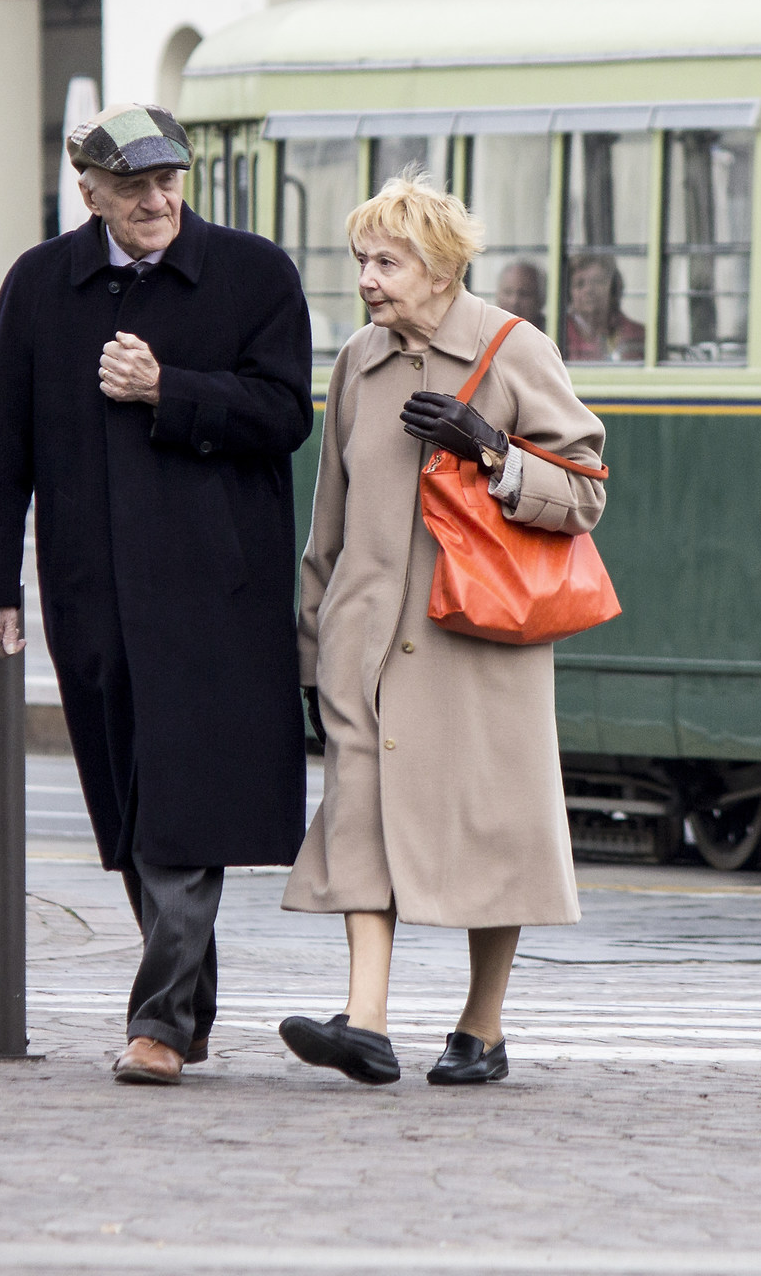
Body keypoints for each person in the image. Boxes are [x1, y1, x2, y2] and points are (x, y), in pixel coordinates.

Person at [0, 101, 315, 1087]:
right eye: (134, 186)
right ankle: (189, 1004)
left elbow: (287, 413)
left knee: (185, 808)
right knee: (128, 804)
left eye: (170, 181)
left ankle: (157, 1022)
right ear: (90, 193)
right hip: (93, 590)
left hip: (218, 589)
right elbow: (5, 448)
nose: (158, 200)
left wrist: (171, 390)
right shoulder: (39, 287)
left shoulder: (253, 274)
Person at [278, 167, 606, 1089]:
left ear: (440, 267)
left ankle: (482, 1027)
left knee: (490, 832)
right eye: (361, 261)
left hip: (477, 646)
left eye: (388, 260)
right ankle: (367, 1021)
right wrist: (313, 646)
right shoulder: (356, 360)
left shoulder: (515, 348)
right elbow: (327, 522)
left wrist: (491, 450)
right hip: (366, 643)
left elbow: (583, 493)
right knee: (361, 822)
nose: (369, 279)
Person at [563, 253, 643, 361]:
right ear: (569, 293)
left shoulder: (638, 334)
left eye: (597, 282)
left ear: (614, 288)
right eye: (579, 284)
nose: (588, 290)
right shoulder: (558, 334)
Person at [494, 259, 546, 326]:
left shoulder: (551, 331)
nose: (514, 301)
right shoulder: (487, 329)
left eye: (524, 294)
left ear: (540, 299)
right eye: (508, 292)